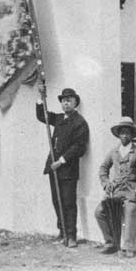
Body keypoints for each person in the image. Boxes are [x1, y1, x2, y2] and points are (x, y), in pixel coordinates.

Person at [36, 84, 89, 248]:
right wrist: (40, 97)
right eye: (63, 101)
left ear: (75, 103)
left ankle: (71, 236)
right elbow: (41, 116)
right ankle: (62, 232)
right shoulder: (59, 119)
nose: (66, 103)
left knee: (68, 202)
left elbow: (79, 147)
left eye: (69, 100)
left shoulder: (80, 122)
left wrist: (61, 161)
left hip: (67, 170)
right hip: (53, 168)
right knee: (56, 201)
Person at [94, 117, 136, 259]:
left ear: (132, 135)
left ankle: (128, 247)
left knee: (129, 212)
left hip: (131, 190)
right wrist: (106, 183)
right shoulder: (114, 152)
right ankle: (110, 242)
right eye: (122, 132)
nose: (124, 135)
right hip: (116, 190)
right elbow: (103, 168)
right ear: (118, 134)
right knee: (99, 211)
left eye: (127, 133)